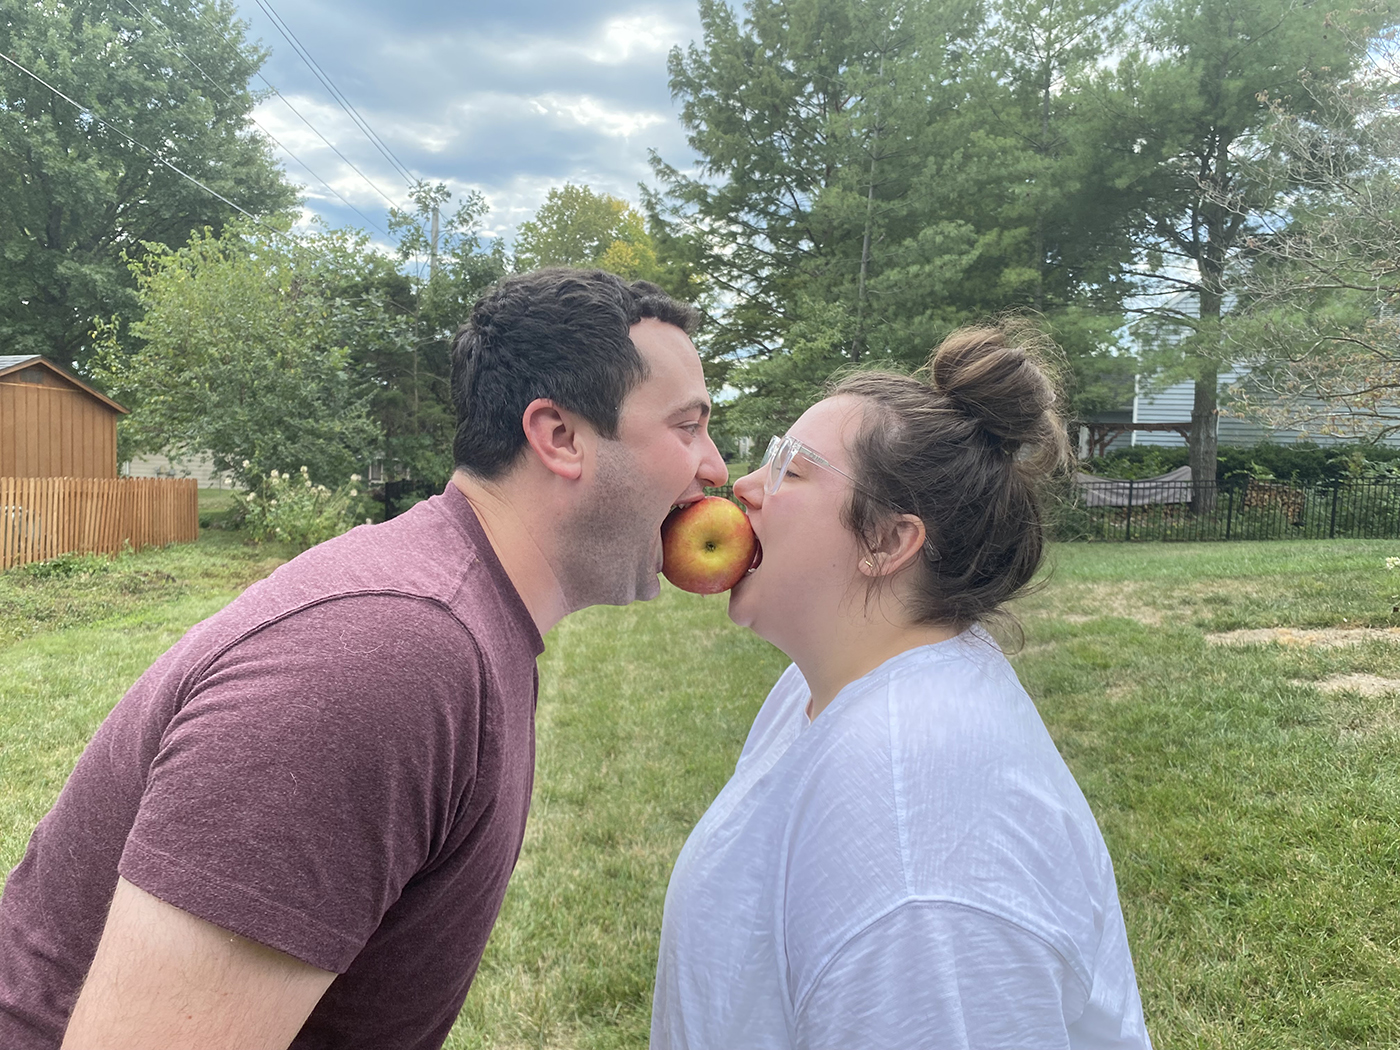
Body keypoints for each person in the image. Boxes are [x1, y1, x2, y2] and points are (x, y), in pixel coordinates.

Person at [0, 268, 727, 1050]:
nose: (716, 468)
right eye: (687, 428)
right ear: (560, 437)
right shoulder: (391, 661)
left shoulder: (463, 618)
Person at [650, 324, 1153, 1049]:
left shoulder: (916, 827)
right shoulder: (817, 688)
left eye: (791, 470)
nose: (745, 488)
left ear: (888, 541)